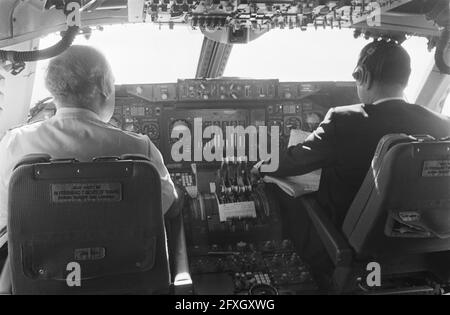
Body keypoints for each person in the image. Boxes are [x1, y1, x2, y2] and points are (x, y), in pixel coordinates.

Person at [254, 39, 450, 277]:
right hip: (423, 244)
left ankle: (315, 271)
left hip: (349, 237)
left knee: (280, 193)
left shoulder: (344, 119)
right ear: (407, 78)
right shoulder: (443, 124)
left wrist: (262, 166)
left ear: (364, 76)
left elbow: (296, 161)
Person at [0, 45, 178, 248]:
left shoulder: (13, 144)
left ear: (53, 87)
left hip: (40, 274)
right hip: (122, 273)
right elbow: (167, 206)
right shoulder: (139, 148)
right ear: (105, 88)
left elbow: (4, 218)